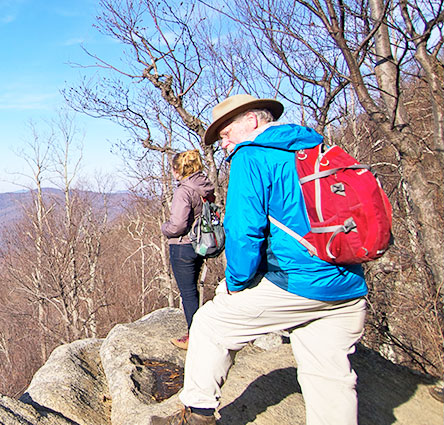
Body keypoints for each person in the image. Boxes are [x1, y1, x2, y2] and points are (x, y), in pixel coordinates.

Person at [152, 94, 369, 425]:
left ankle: (196, 415)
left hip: (297, 281)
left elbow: (243, 232)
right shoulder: (316, 148)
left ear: (252, 121)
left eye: (225, 134)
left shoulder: (252, 156)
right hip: (346, 283)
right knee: (329, 379)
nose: (223, 144)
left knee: (209, 326)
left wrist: (236, 284)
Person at [161, 150, 215, 350]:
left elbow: (178, 225)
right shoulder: (204, 186)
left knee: (188, 292)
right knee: (194, 290)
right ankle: (199, 330)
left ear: (178, 170)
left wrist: (164, 228)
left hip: (183, 245)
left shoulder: (184, 190)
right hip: (200, 243)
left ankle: (195, 335)